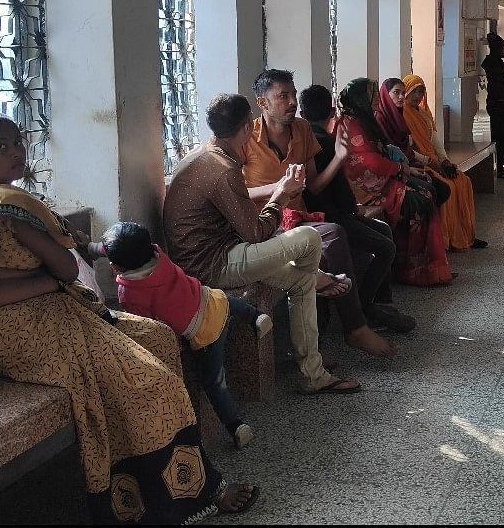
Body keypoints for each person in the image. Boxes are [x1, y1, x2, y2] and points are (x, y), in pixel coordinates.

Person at [0, 113, 259, 524]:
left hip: (47, 315)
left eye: (18, 142)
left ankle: (153, 488)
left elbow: (7, 282)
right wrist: (49, 279)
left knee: (158, 338)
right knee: (150, 378)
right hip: (26, 331)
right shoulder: (3, 205)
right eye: (0, 147)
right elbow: (58, 269)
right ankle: (187, 496)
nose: (15, 152)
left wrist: (41, 280)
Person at [164, 93, 364, 394]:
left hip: (216, 254)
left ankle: (313, 372)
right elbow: (255, 233)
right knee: (309, 238)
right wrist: (282, 194)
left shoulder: (201, 155)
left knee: (300, 283)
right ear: (247, 128)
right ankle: (316, 285)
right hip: (213, 265)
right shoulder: (224, 170)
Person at [243, 69, 396, 357]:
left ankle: (348, 321)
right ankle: (355, 328)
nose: (292, 102)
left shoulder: (301, 130)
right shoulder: (247, 138)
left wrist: (339, 157)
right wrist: (279, 188)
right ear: (263, 103)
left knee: (336, 238)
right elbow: (240, 194)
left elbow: (313, 186)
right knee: (334, 235)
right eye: (282, 96)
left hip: (300, 220)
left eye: (293, 94)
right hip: (267, 224)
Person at [103, 221, 273, 449]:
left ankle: (236, 426)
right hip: (212, 301)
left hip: (203, 333)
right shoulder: (159, 255)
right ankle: (256, 317)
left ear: (115, 266)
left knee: (214, 382)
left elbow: (150, 328)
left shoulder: (129, 294)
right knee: (226, 299)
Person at [298, 84, 417, 333]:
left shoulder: (316, 136)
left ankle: (381, 303)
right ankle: (365, 307)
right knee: (386, 246)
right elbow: (319, 187)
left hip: (342, 209)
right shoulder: (319, 141)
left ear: (302, 111)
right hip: (331, 216)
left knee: (384, 230)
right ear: (331, 110)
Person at [337, 78, 454, 287]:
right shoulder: (351, 123)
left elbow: (389, 152)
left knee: (429, 191)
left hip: (383, 178)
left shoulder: (365, 119)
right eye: (371, 96)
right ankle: (412, 268)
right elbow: (368, 162)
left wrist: (406, 170)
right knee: (421, 201)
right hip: (364, 186)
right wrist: (401, 170)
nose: (375, 101)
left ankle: (426, 265)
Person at [397, 73, 488, 251]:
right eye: (414, 91)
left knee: (463, 181)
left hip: (435, 161)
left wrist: (445, 160)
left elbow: (435, 140)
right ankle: (445, 239)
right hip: (419, 163)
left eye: (421, 91)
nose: (418, 96)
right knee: (448, 187)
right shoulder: (402, 116)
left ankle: (466, 234)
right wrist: (429, 161)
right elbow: (408, 150)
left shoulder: (423, 113)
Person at [378, 77, 450, 208]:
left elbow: (410, 147)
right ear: (385, 94)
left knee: (452, 183)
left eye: (403, 93)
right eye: (396, 92)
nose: (401, 97)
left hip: (410, 163)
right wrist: (410, 168)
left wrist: (444, 160)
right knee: (433, 190)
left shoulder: (400, 116)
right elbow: (385, 155)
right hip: (394, 173)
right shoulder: (380, 120)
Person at [480, 32, 504, 179]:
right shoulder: (494, 64)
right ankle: (498, 167)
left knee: (502, 137)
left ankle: (498, 166)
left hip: (499, 103)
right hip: (497, 104)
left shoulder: (495, 63)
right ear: (497, 48)